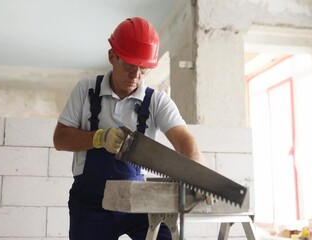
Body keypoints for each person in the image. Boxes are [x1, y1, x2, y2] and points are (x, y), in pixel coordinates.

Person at [53, 17, 202, 240]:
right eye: (130, 65)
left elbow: (184, 141)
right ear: (112, 56)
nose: (136, 74)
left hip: (137, 198)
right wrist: (99, 138)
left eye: (143, 68)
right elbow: (60, 139)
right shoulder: (86, 91)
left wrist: (197, 174)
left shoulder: (157, 101)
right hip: (91, 202)